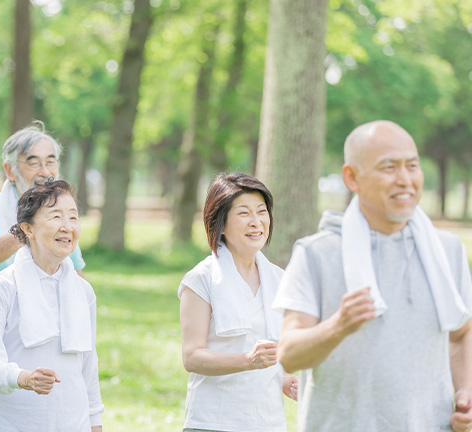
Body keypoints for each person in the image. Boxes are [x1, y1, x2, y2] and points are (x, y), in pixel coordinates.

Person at [273, 120, 472, 432]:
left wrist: (465, 391)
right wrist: (338, 326)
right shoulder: (316, 253)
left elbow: (461, 334)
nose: (405, 179)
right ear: (352, 177)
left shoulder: (448, 250)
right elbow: (289, 355)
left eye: (412, 166)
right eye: (388, 167)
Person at [0, 123, 86, 424]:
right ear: (10, 170)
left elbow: (77, 277)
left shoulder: (61, 217)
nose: (44, 170)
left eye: (51, 161)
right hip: (3, 340)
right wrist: (29, 224)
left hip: (55, 344)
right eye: (33, 161)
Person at [0, 179, 103, 431]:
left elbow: (88, 364)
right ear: (28, 230)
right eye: (56, 217)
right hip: (11, 423)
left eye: (73, 217)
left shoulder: (83, 291)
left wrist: (95, 424)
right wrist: (23, 378)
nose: (67, 227)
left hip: (71, 423)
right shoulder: (3, 287)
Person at [178, 172, 298, 432]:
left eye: (262, 211)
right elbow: (192, 357)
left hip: (269, 422)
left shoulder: (279, 278)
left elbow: (274, 355)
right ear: (220, 224)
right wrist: (247, 360)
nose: (256, 222)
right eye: (244, 213)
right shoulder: (201, 280)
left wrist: (286, 380)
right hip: (213, 422)